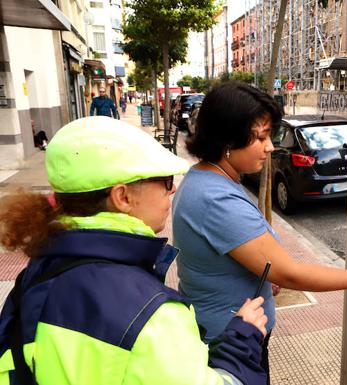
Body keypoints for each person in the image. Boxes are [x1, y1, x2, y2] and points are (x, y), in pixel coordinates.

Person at [0, 116, 268, 385]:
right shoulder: (152, 315)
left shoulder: (39, 273)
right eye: (164, 181)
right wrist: (241, 339)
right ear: (123, 197)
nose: (173, 188)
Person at [172, 82, 347, 383]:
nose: (270, 147)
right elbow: (291, 273)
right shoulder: (216, 199)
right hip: (227, 343)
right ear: (227, 139)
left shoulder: (206, 178)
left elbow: (232, 252)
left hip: (227, 330)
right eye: (261, 137)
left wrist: (264, 276)